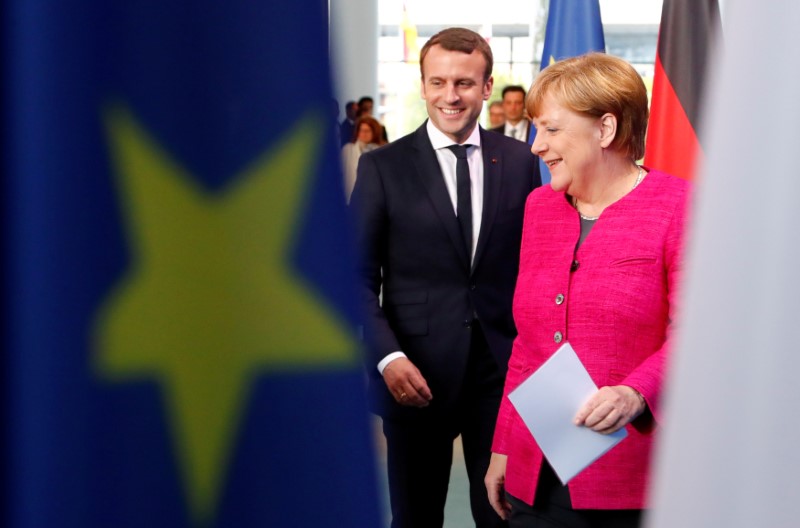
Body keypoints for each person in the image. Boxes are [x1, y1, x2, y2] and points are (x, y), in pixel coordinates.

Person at [484, 52, 690, 528]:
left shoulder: (680, 206)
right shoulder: (540, 207)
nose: (537, 146)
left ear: (605, 130)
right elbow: (528, 345)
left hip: (635, 479)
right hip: (536, 472)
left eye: (552, 130)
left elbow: (698, 334)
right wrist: (502, 445)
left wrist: (635, 393)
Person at [350, 27, 541, 528]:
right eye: (438, 82)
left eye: (463, 82)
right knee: (415, 518)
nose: (450, 96)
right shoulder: (383, 168)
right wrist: (387, 357)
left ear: (486, 86)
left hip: (499, 377)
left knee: (503, 515)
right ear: (423, 85)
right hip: (412, 375)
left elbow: (533, 264)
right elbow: (354, 278)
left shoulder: (521, 162)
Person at [341, 115, 386, 202]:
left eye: (367, 131)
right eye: (361, 130)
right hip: (350, 197)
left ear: (375, 132)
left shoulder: (382, 150)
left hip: (373, 199)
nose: (363, 134)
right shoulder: (348, 149)